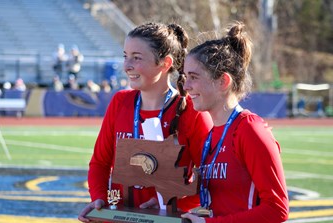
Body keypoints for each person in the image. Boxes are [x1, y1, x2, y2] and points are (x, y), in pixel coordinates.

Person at [78, 22, 213, 222]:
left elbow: (209, 179)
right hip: (119, 216)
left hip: (166, 219)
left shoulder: (192, 111)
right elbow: (100, 163)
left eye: (137, 58)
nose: (127, 66)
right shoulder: (120, 102)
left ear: (165, 63)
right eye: (125, 56)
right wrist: (99, 198)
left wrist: (174, 205)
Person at [181, 22, 289, 223]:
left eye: (194, 77)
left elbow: (277, 210)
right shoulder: (214, 133)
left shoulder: (249, 130)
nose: (186, 86)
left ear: (223, 82)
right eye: (185, 77)